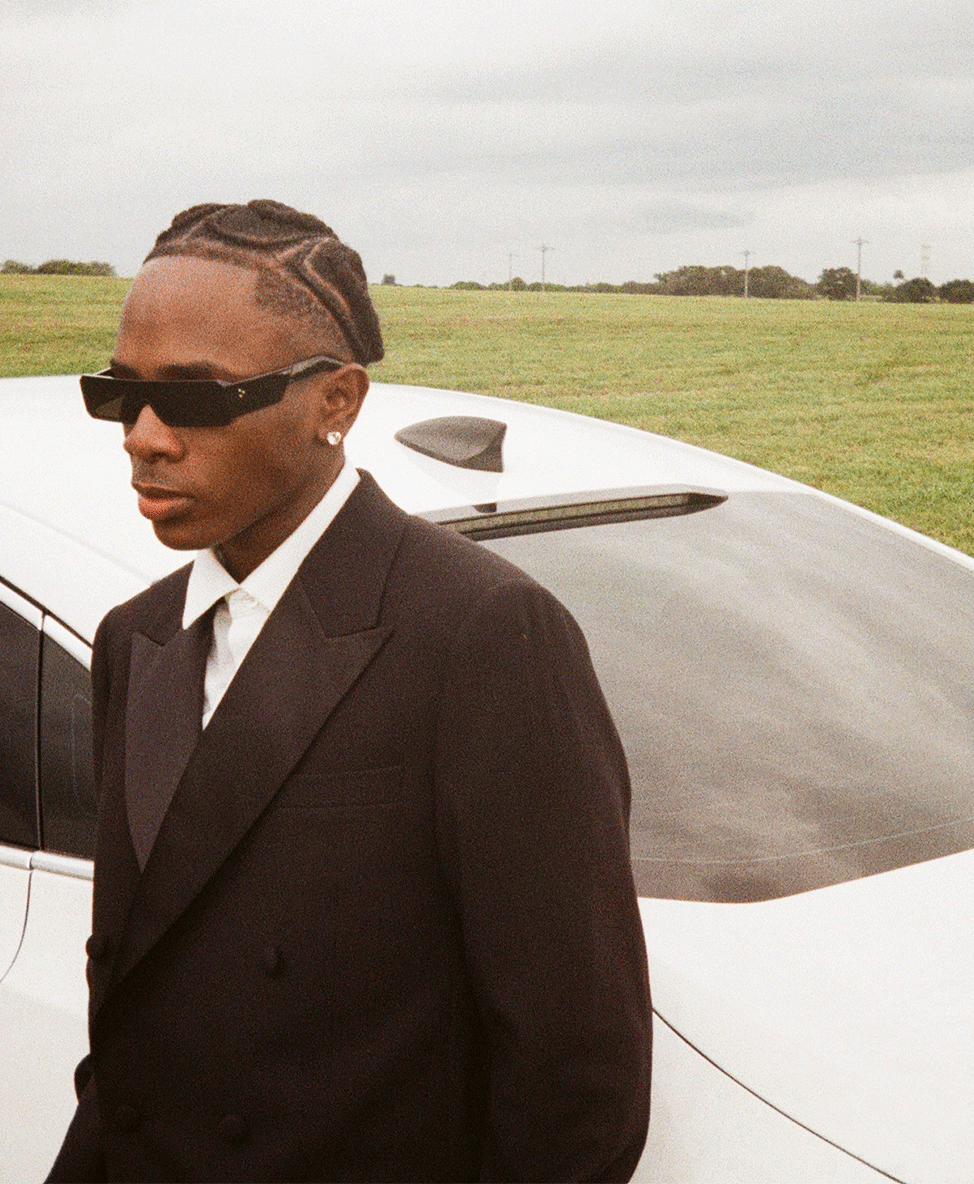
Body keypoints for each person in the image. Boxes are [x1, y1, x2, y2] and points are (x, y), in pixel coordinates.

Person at [47, 200, 651, 1183]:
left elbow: (574, 1075)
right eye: (118, 392)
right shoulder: (136, 640)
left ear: (335, 400)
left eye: (196, 398)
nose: (143, 436)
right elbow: (135, 1018)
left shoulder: (479, 637)